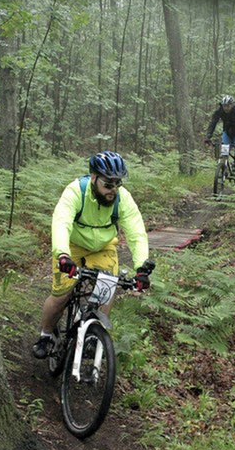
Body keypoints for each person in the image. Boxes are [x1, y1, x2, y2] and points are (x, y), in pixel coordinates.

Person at [33, 151, 151, 359]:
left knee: (107, 290)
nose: (113, 190)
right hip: (72, 246)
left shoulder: (122, 198)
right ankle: (46, 334)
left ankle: (93, 335)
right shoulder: (75, 192)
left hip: (103, 248)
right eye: (108, 184)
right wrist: (62, 255)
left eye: (117, 184)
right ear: (94, 178)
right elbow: (61, 222)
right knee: (62, 295)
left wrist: (141, 268)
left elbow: (136, 231)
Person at [203, 95, 235, 172]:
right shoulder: (220, 111)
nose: (226, 108)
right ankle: (224, 170)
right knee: (224, 152)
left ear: (232, 105)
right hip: (227, 132)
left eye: (228, 106)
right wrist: (208, 136)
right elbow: (213, 122)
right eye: (224, 106)